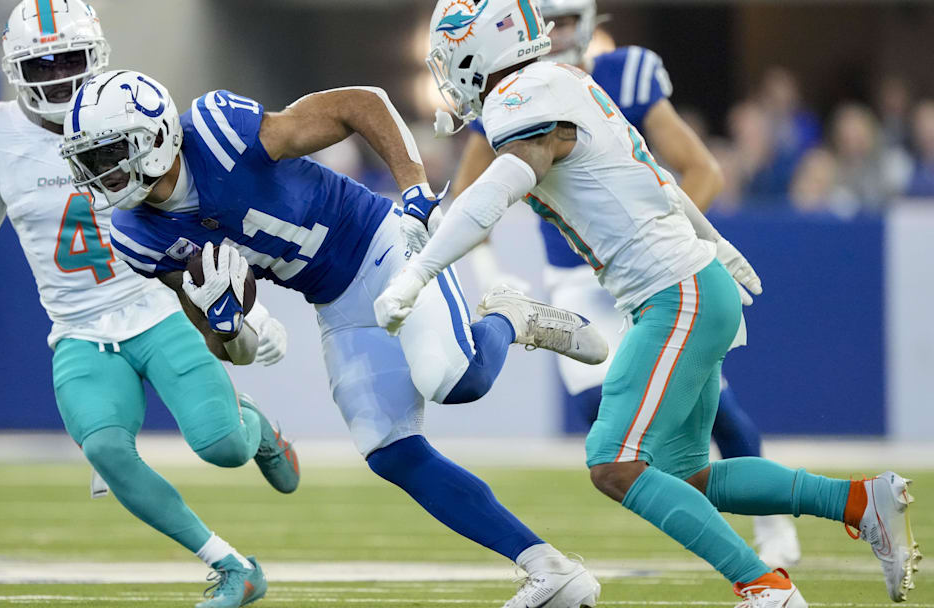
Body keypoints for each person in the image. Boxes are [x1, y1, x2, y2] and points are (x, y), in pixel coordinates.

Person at [375, 0, 921, 605]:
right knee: (688, 474)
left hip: (674, 291)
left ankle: (765, 585)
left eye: (451, 56)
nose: (447, 74)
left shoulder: (521, 100)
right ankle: (859, 502)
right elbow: (657, 179)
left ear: (479, 49)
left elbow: (494, 196)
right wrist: (715, 243)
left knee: (613, 462)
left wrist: (417, 273)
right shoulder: (564, 82)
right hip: (685, 284)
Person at [60, 69, 607, 608]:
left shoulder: (217, 132)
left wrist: (414, 190)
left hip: (382, 240)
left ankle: (509, 316)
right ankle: (550, 569)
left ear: (156, 137)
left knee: (453, 379)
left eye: (110, 154)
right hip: (333, 300)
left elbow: (360, 103)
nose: (102, 172)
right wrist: (230, 325)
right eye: (91, 160)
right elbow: (221, 343)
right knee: (388, 450)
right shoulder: (136, 235)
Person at [0, 3, 298, 607]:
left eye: (68, 59)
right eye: (42, 64)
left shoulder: (127, 107)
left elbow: (198, 218)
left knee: (223, 448)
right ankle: (232, 567)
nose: (58, 75)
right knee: (105, 449)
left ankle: (255, 429)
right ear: (14, 69)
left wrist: (250, 311)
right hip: (77, 326)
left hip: (157, 304)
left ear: (96, 56)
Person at [449, 0, 799, 569]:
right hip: (577, 283)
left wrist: (665, 243)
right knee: (608, 420)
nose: (556, 32)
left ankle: (772, 524)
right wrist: (491, 276)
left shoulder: (621, 75)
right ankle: (730, 542)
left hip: (652, 276)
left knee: (716, 416)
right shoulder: (506, 92)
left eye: (566, 20)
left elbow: (702, 170)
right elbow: (470, 203)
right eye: (548, 21)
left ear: (588, 22)